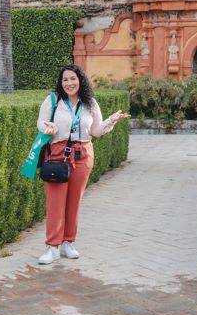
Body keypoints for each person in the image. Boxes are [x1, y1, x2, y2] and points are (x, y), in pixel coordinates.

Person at [36, 65, 128, 264]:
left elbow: (95, 130)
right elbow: (41, 121)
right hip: (58, 154)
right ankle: (52, 246)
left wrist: (111, 121)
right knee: (55, 202)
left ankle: (68, 242)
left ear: (81, 80)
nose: (69, 83)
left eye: (73, 79)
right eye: (65, 80)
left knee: (74, 201)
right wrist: (48, 127)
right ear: (61, 83)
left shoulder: (90, 103)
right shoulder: (53, 100)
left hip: (83, 154)